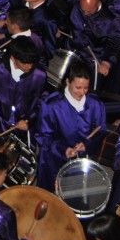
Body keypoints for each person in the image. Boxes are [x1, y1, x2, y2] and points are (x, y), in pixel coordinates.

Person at [34, 62, 107, 191]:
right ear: (68, 82)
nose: (82, 92)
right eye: (78, 87)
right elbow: (43, 136)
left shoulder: (95, 104)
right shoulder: (51, 105)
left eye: (86, 88)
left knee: (76, 199)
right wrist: (64, 149)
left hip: (82, 162)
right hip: (54, 161)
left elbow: (101, 131)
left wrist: (87, 145)